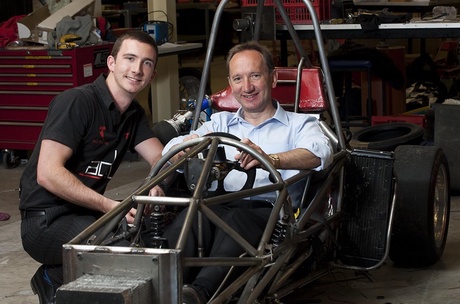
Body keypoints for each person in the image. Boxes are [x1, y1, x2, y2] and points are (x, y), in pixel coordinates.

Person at [161, 41, 334, 304]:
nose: (247, 87)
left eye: (255, 75)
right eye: (238, 79)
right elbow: (174, 146)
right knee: (191, 216)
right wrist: (185, 150)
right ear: (231, 84)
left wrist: (271, 159)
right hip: (216, 204)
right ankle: (160, 283)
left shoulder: (300, 124)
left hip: (270, 212)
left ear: (273, 78)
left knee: (235, 222)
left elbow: (320, 153)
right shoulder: (220, 122)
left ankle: (198, 293)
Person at [19, 30, 165, 304]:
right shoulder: (77, 101)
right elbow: (47, 173)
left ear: (153, 74)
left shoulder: (133, 114)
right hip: (45, 221)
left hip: (87, 215)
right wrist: (108, 206)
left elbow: (161, 157)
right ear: (111, 63)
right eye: (129, 58)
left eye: (146, 63)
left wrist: (158, 180)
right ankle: (54, 278)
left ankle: (58, 271)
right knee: (124, 252)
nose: (137, 69)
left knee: (155, 237)